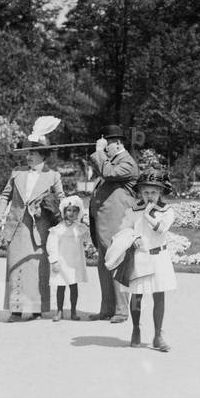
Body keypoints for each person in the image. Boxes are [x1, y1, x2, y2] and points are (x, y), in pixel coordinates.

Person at [0, 116, 65, 321]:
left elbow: (63, 200)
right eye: (27, 152)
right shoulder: (17, 173)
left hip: (39, 228)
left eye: (32, 152)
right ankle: (16, 310)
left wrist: (51, 207)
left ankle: (35, 309)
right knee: (15, 266)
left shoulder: (53, 176)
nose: (28, 156)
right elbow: (5, 197)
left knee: (36, 268)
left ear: (43, 155)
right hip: (17, 227)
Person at [112, 169, 177, 352]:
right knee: (137, 295)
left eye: (154, 192)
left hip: (159, 258)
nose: (150, 196)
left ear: (161, 193)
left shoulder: (166, 211)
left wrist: (148, 215)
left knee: (159, 295)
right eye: (146, 192)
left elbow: (161, 229)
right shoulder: (132, 211)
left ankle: (157, 335)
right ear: (139, 192)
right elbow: (122, 231)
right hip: (140, 257)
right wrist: (133, 238)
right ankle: (135, 329)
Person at [87, 124, 138, 323]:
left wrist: (99, 151)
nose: (105, 147)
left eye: (107, 143)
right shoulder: (111, 160)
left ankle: (121, 310)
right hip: (104, 222)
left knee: (117, 261)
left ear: (118, 143)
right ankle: (107, 308)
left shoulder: (126, 162)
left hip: (117, 222)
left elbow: (108, 174)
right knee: (104, 264)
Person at [47, 194, 91, 321]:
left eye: (74, 211)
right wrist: (54, 260)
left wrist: (85, 224)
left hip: (74, 262)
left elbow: (87, 239)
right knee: (61, 286)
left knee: (73, 286)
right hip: (62, 260)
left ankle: (73, 311)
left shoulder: (79, 228)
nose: (71, 213)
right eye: (69, 210)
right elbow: (52, 245)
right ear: (64, 211)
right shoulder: (58, 229)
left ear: (78, 212)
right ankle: (59, 311)